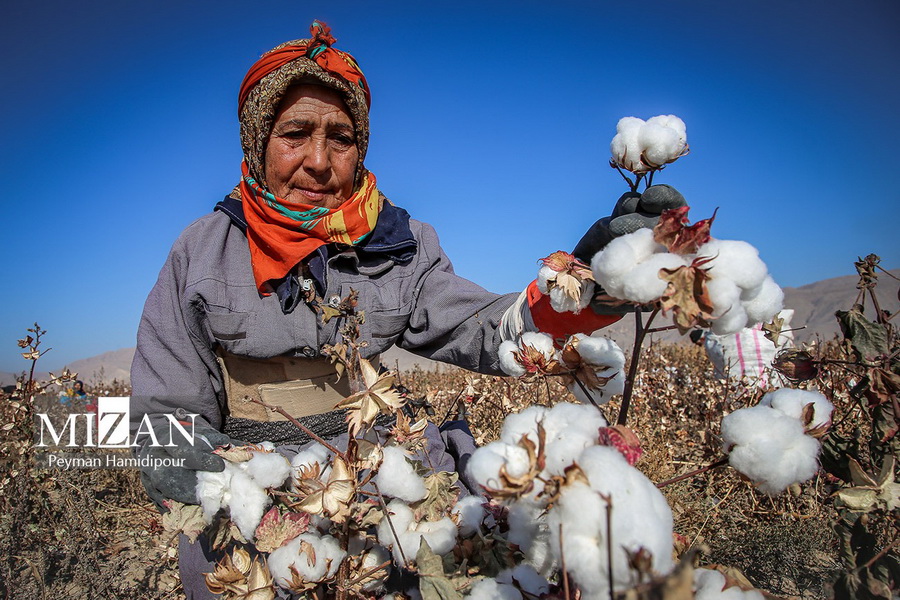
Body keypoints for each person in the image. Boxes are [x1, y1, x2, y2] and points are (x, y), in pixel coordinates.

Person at [130, 21, 685, 598]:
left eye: (340, 139)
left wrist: (584, 285)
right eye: (295, 134)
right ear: (257, 142)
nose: (319, 160)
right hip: (251, 487)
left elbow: (478, 326)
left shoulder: (398, 242)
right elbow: (163, 408)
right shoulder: (202, 251)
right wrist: (219, 485)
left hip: (379, 472)